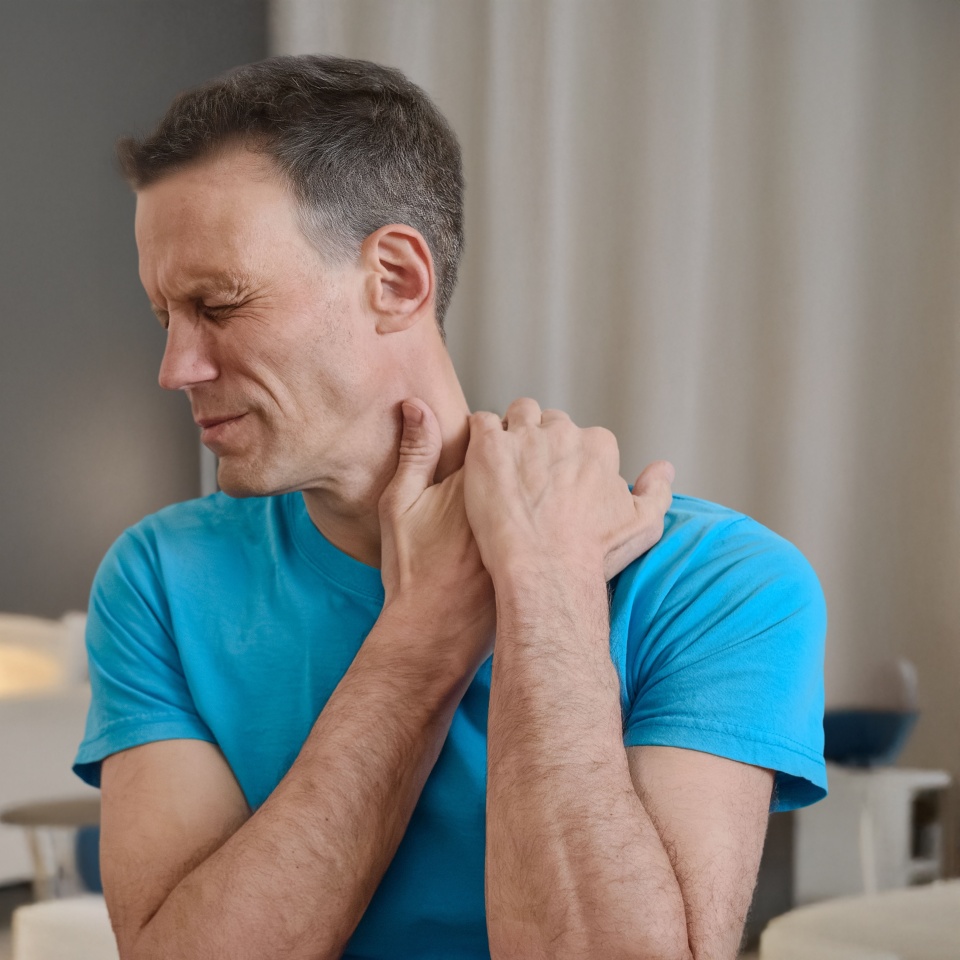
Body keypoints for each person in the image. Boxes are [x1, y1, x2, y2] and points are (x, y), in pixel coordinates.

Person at [74, 55, 826, 960]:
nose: (176, 369)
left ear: (396, 280)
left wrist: (546, 587)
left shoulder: (723, 582)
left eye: (220, 304)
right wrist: (422, 638)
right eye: (166, 316)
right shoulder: (161, 577)